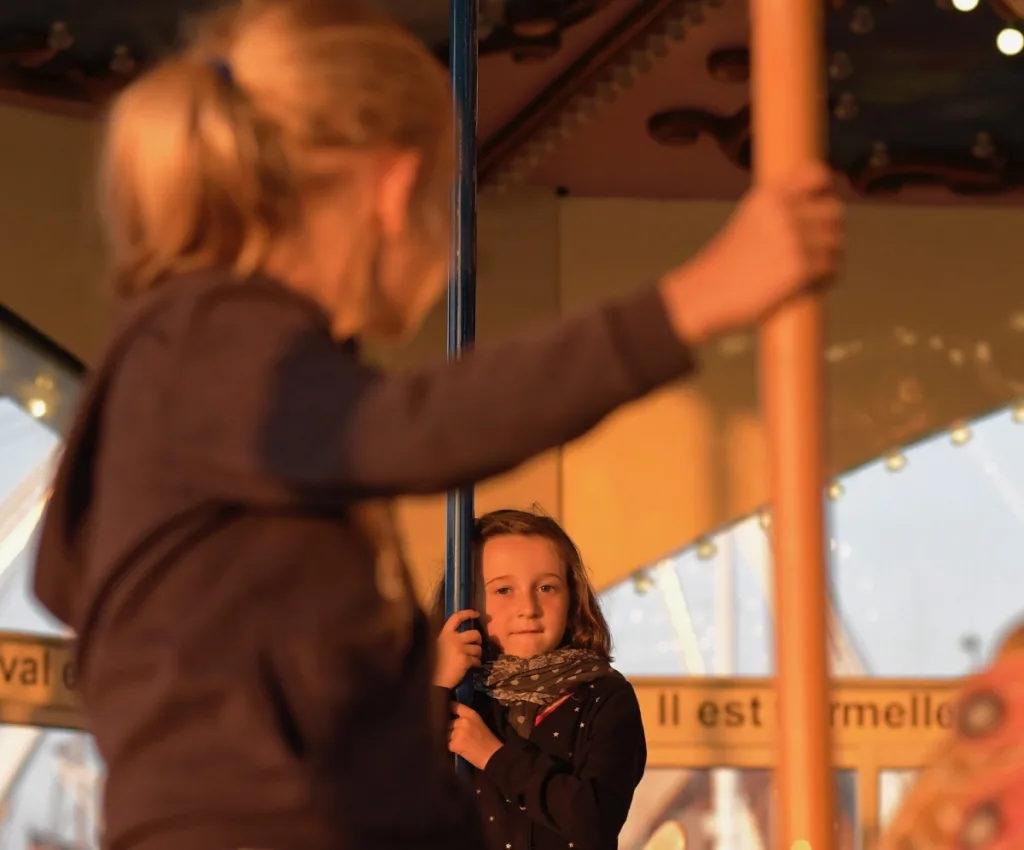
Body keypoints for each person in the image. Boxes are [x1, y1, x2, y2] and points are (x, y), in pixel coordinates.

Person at [29, 0, 843, 848]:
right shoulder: (213, 339)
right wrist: (696, 299)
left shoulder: (175, 366)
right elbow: (421, 427)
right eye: (446, 197)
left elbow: (64, 571)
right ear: (393, 189)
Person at [434, 509, 646, 850]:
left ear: (572, 596)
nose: (528, 607)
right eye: (503, 590)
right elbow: (380, 796)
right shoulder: (447, 692)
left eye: (546, 587)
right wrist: (437, 688)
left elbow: (595, 820)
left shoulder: (605, 696)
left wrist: (494, 756)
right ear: (468, 599)